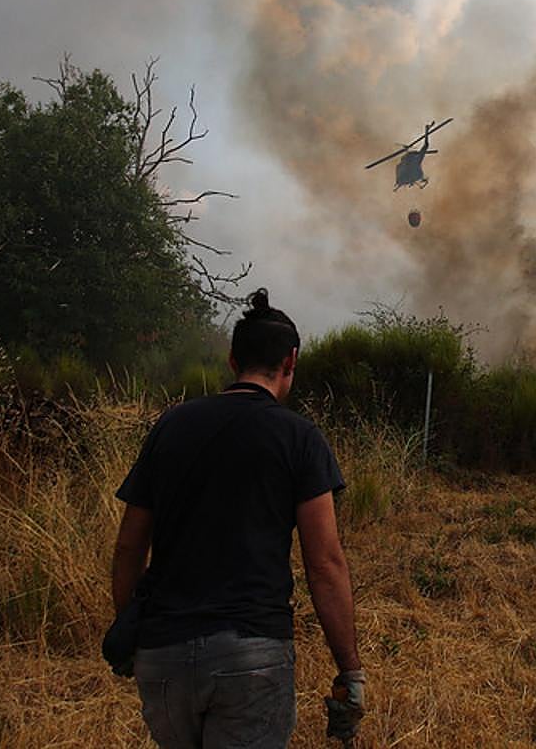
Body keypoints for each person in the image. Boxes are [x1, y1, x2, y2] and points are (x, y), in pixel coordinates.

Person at [110, 289, 364, 747]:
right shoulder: (299, 438)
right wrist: (349, 668)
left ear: (231, 360)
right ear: (290, 361)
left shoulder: (171, 425)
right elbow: (325, 564)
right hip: (252, 656)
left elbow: (130, 545)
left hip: (162, 654)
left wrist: (129, 630)